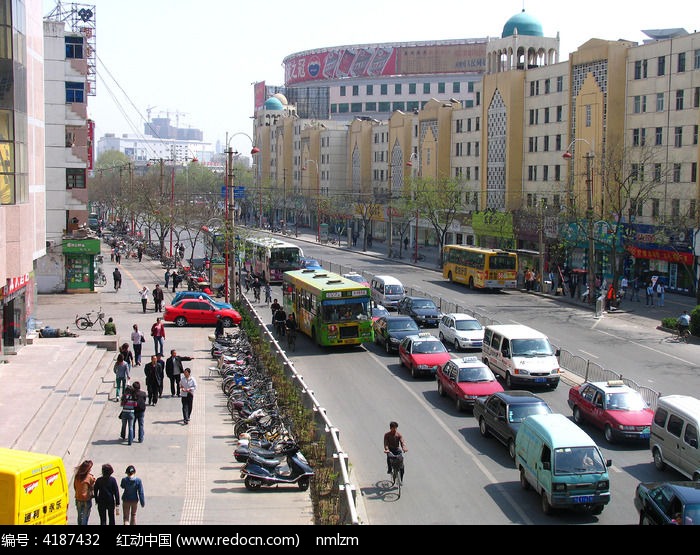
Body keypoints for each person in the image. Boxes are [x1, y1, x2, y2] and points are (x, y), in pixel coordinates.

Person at [73, 459, 96, 525]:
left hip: (78, 498)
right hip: (86, 499)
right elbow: (93, 486)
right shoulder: (89, 477)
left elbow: (75, 487)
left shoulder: (77, 476)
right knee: (85, 516)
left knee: (80, 516)